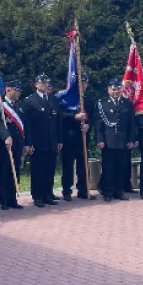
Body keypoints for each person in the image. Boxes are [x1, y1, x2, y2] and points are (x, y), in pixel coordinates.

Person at [22, 74, 62, 207]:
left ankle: (48, 194)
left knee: (50, 169)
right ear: (36, 85)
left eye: (47, 82)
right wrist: (28, 142)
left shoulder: (53, 99)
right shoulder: (30, 101)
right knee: (38, 169)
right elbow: (27, 124)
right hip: (37, 142)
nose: (45, 84)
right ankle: (37, 196)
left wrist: (59, 140)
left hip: (52, 141)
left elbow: (57, 121)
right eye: (42, 82)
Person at [95, 79, 136, 202]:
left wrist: (131, 139)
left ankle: (119, 191)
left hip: (123, 141)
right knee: (108, 168)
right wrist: (100, 139)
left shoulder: (127, 103)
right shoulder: (102, 104)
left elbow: (131, 123)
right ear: (108, 90)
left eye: (118, 89)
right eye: (113, 89)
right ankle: (108, 192)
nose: (115, 91)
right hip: (108, 141)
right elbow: (99, 124)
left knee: (121, 167)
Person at [0, 81, 26, 209]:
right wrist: (6, 136)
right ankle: (3, 200)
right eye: (16, 90)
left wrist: (25, 143)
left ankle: (12, 199)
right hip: (4, 144)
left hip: (17, 143)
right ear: (8, 90)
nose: (19, 93)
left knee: (15, 171)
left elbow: (24, 125)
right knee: (3, 171)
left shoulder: (19, 105)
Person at [60, 72, 93, 201]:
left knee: (83, 164)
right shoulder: (66, 98)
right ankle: (67, 191)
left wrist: (88, 125)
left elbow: (93, 117)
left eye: (85, 83)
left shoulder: (89, 99)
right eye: (80, 83)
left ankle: (83, 190)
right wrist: (74, 116)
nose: (83, 85)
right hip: (69, 136)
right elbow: (61, 115)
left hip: (83, 136)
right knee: (68, 164)